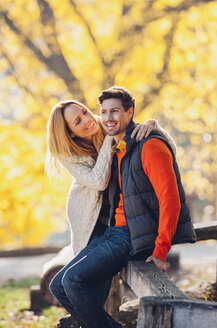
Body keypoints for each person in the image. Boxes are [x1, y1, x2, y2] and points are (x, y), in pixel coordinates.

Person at [46, 96, 183, 328]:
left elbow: (164, 149)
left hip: (121, 224)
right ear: (71, 134)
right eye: (78, 122)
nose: (89, 120)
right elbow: (99, 181)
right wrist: (110, 140)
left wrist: (153, 125)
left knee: (78, 286)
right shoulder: (71, 154)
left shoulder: (106, 123)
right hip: (92, 220)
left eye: (85, 112)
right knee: (62, 286)